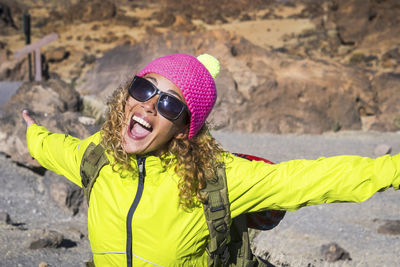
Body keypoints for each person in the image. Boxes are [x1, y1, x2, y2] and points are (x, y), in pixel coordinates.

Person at [22, 53, 399, 267]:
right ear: (127, 94)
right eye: (145, 88)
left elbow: (310, 178)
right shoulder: (97, 155)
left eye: (169, 103)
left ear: (185, 126)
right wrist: (32, 132)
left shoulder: (214, 176)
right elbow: (55, 149)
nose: (149, 105)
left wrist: (393, 169)